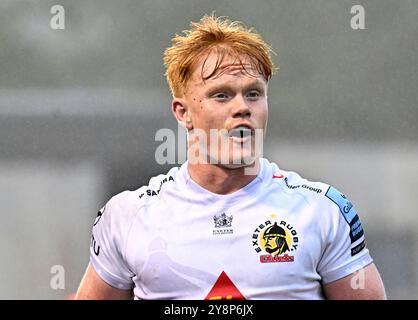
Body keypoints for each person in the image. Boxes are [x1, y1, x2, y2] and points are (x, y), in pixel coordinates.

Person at [75, 14, 386, 300]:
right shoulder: (128, 216)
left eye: (253, 93)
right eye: (221, 95)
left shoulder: (323, 211)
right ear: (183, 112)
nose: (242, 107)